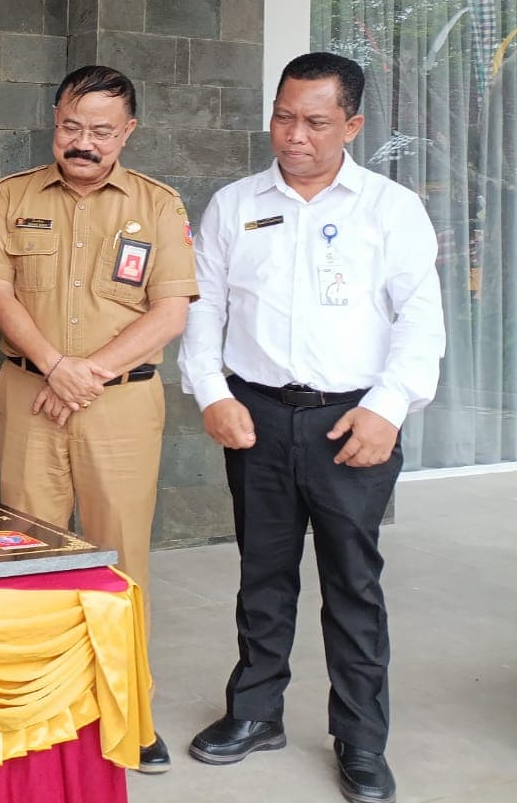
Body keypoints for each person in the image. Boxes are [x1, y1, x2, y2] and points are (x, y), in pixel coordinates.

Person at [180, 52, 444, 803]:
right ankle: (255, 712)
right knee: (262, 576)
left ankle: (361, 738)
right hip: (256, 416)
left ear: (352, 124)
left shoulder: (389, 208)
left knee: (352, 585)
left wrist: (388, 408)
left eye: (316, 121)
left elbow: (420, 322)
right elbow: (205, 312)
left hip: (351, 420)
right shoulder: (235, 203)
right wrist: (211, 392)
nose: (294, 135)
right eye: (284, 116)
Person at [0, 64, 196, 774]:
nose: (84, 142)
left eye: (101, 130)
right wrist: (55, 363)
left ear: (127, 132)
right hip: (31, 392)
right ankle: (32, 705)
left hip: (120, 403)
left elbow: (171, 310)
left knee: (120, 558)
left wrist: (86, 371)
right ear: (54, 118)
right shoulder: (10, 196)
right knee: (23, 551)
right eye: (72, 125)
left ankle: (132, 712)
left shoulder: (158, 206)